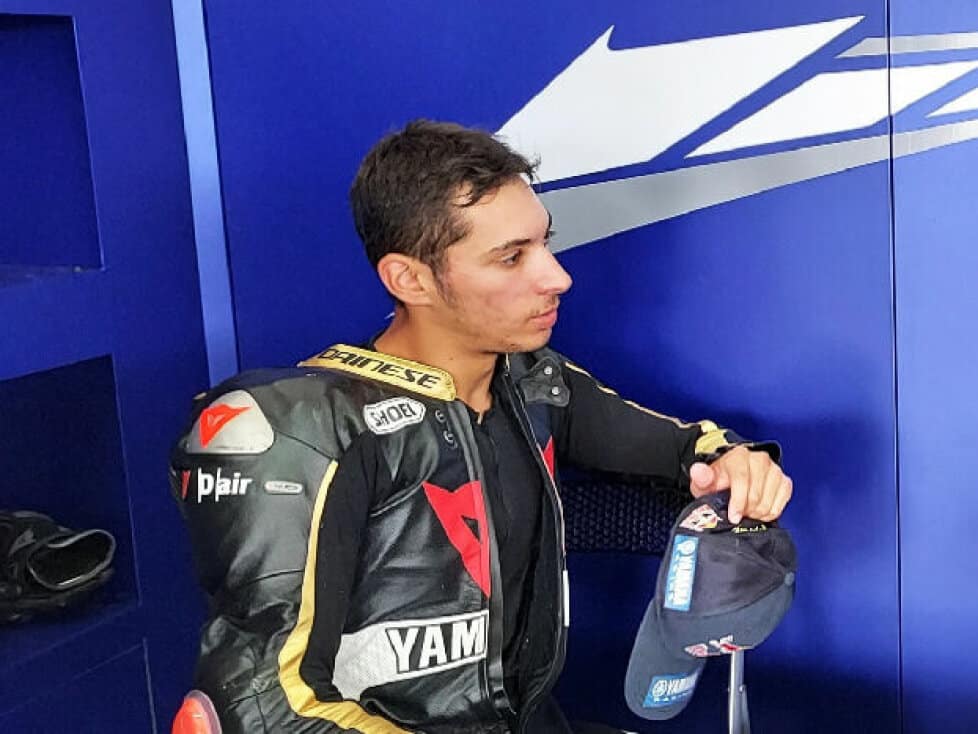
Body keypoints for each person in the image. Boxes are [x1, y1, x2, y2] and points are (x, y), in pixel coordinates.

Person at [169, 120, 792, 734]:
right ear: (409, 279)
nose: (558, 277)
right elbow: (265, 708)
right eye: (511, 257)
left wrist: (739, 463)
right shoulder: (306, 431)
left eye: (545, 243)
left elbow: (686, 447)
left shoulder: (537, 382)